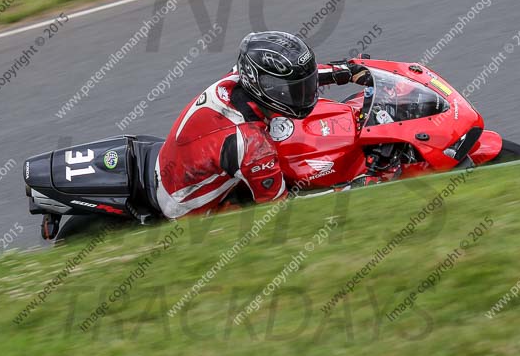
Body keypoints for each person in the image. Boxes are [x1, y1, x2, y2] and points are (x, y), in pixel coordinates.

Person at [154, 31, 368, 219]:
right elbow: (279, 208)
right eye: (290, 89)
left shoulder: (241, 77)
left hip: (187, 161)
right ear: (259, 83)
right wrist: (350, 188)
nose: (302, 93)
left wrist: (345, 71)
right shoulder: (252, 144)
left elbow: (292, 78)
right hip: (186, 206)